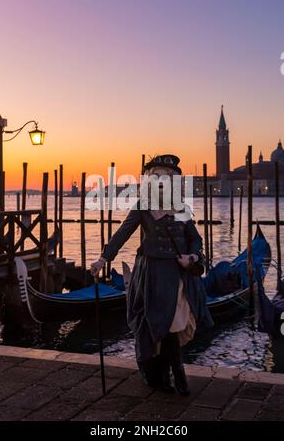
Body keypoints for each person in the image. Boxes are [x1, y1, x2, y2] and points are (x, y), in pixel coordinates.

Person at [90, 154, 213, 396]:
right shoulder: (143, 208)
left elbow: (195, 240)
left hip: (178, 276)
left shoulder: (180, 209)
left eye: (166, 178)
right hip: (153, 276)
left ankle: (174, 373)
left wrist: (193, 258)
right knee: (160, 325)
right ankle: (174, 374)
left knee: (173, 325)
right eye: (156, 177)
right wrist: (103, 259)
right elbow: (122, 234)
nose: (160, 182)